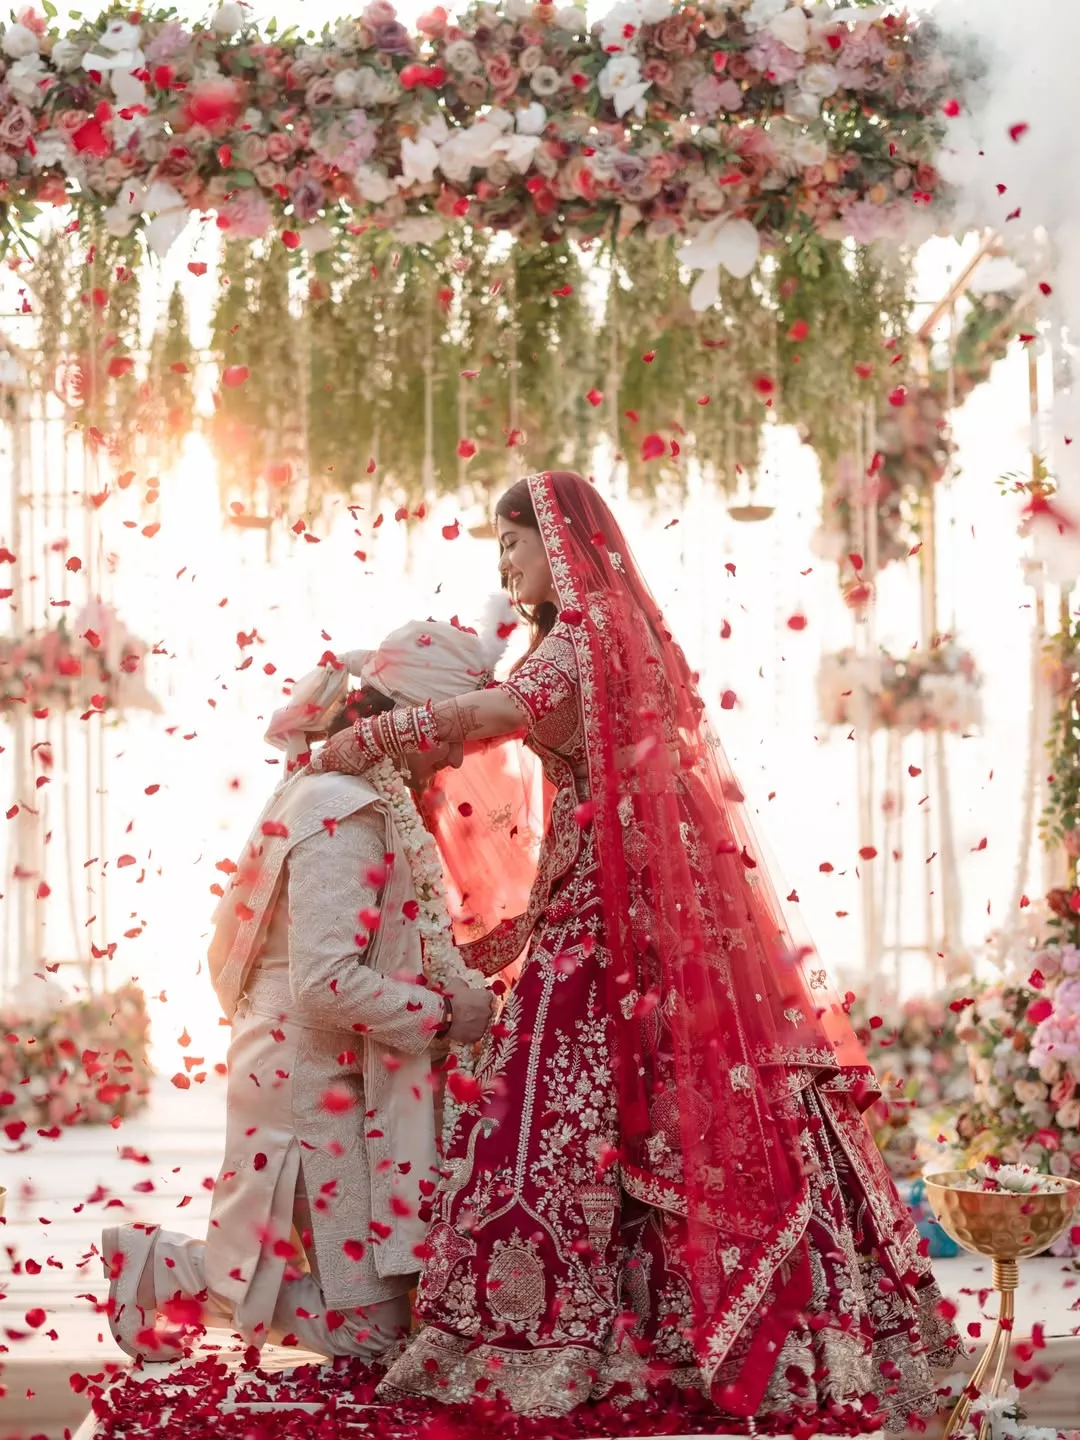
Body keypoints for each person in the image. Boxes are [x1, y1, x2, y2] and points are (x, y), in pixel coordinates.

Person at [313, 472, 960, 1431]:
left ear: (561, 544)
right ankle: (658, 1332)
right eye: (499, 546)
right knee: (635, 1116)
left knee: (555, 1119)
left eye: (515, 542)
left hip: (614, 927)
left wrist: (367, 738)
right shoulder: (611, 637)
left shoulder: (580, 640)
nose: (505, 561)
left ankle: (560, 1343)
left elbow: (494, 717)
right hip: (632, 912)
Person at [101, 614, 507, 1365]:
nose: (457, 756)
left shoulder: (348, 796)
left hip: (325, 1072)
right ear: (414, 721)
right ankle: (161, 1267)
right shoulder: (339, 811)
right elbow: (325, 982)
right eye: (454, 733)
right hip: (308, 1088)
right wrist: (448, 1013)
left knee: (383, 1323)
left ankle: (167, 1270)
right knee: (375, 1336)